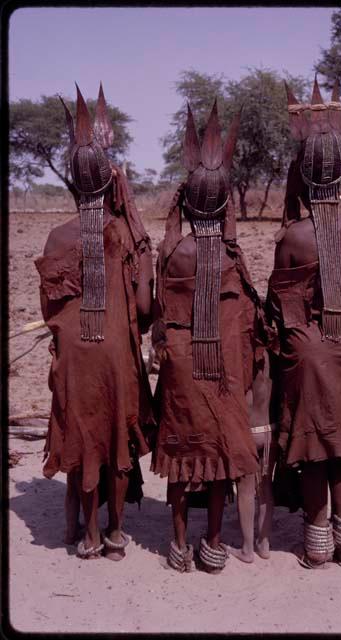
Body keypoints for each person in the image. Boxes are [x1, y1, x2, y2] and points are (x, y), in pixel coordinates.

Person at [35, 84, 155, 560]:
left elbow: (49, 314)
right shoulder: (127, 232)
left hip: (75, 358)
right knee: (118, 439)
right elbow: (146, 308)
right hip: (115, 355)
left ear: (71, 181)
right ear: (110, 180)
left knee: (84, 439)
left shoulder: (55, 236)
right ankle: (117, 534)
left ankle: (87, 534)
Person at [151, 100, 266, 573]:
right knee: (219, 459)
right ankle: (214, 544)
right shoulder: (231, 260)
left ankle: (178, 546)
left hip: (181, 369)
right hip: (221, 375)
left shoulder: (174, 253)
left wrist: (178, 207)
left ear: (187, 202)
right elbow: (248, 321)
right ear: (224, 206)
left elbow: (161, 272)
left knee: (181, 459)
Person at [266, 77, 341, 572]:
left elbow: (276, 309)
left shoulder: (291, 239)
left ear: (304, 182)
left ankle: (316, 547)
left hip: (307, 356)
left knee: (313, 452)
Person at [229, 346, 280, 563]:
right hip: (269, 430)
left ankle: (247, 548)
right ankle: (264, 543)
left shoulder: (241, 355)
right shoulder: (275, 357)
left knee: (246, 490)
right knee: (266, 486)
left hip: (247, 432)